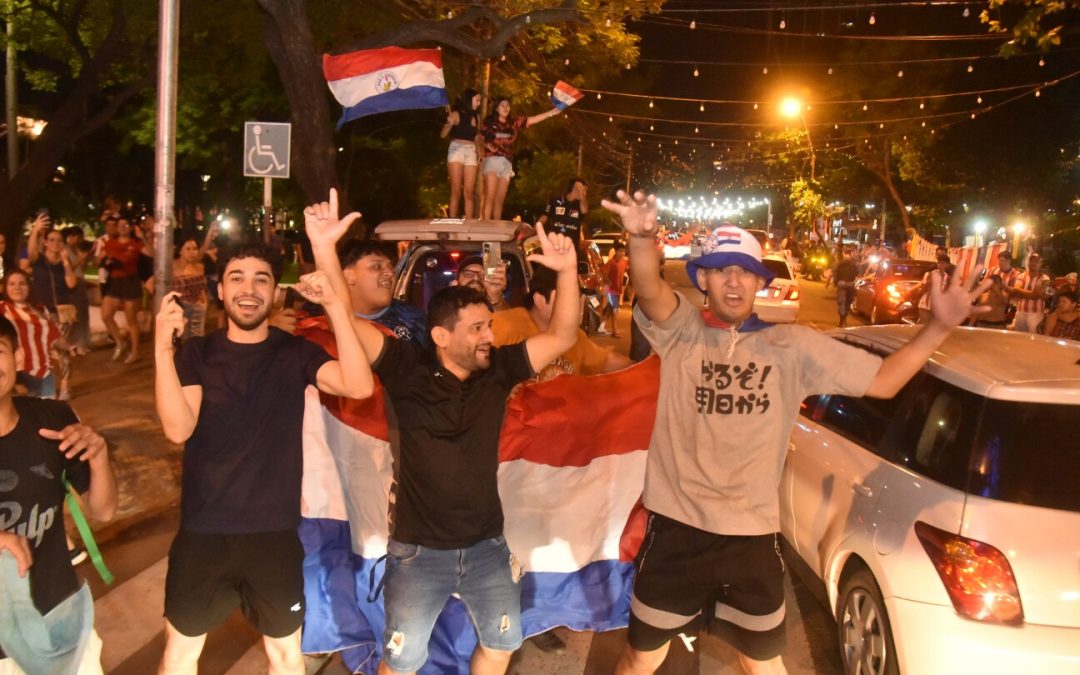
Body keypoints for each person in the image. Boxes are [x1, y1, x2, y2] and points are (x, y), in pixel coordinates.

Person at [600, 190, 989, 675]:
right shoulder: (683, 333)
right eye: (722, 270)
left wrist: (938, 327)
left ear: (760, 281)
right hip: (676, 530)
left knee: (763, 663)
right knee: (641, 656)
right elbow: (650, 288)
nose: (734, 281)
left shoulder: (793, 345)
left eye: (745, 271)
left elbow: (886, 382)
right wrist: (641, 238)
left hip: (752, 537)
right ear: (704, 280)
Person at [303, 191, 579, 674]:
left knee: (500, 647)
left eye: (489, 326)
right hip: (417, 555)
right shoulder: (405, 367)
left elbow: (562, 336)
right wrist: (325, 248)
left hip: (488, 549)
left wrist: (568, 270)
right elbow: (343, 315)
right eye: (477, 329)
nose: (490, 337)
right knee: (401, 662)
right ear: (441, 337)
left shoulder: (499, 370)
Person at [154, 225, 372, 675]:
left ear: (275, 293)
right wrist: (161, 348)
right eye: (237, 277)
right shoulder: (197, 354)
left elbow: (358, 383)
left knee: (286, 657)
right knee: (179, 654)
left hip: (273, 535)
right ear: (220, 289)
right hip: (203, 532)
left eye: (261, 279)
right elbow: (178, 429)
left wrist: (334, 304)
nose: (248, 289)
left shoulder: (295, 352)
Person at [0, 314, 116, 674]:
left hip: (60, 614)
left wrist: (99, 458)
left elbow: (104, 509)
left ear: (18, 359)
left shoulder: (51, 419)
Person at [493, 264, 632, 380]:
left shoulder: (575, 337)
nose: (575, 306)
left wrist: (648, 370)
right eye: (565, 298)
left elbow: (605, 361)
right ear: (540, 300)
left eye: (576, 298)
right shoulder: (504, 327)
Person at [479, 97, 564, 220]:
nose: (506, 108)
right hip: (492, 160)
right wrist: (486, 145)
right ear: (496, 108)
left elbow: (532, 119)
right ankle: (486, 226)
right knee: (490, 197)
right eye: (502, 105)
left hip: (507, 163)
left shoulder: (513, 122)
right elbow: (480, 138)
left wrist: (552, 112)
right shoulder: (488, 122)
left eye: (507, 105)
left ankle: (495, 229)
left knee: (499, 200)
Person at [0, 270, 74, 399]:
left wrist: (70, 347)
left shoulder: (40, 309)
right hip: (18, 377)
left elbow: (54, 335)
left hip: (44, 375)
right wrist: (14, 382)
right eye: (12, 284)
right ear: (5, 288)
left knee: (46, 416)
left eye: (22, 283)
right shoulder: (2, 309)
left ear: (29, 287)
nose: (17, 287)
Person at [338, 239, 428, 346]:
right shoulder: (326, 326)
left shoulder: (414, 320)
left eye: (391, 266)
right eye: (376, 266)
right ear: (349, 276)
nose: (390, 273)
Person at [96, 216, 143, 363]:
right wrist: (105, 260)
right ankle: (120, 343)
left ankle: (135, 351)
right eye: (120, 225)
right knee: (106, 315)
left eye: (125, 224)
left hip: (130, 281)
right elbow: (98, 261)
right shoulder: (110, 243)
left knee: (131, 319)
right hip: (115, 281)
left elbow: (152, 253)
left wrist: (143, 237)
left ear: (130, 227)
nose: (122, 227)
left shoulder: (135, 244)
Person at [441, 89, 482, 219]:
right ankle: (452, 221)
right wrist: (449, 123)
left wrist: (480, 153)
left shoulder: (477, 117)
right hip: (456, 149)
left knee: (469, 192)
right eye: (477, 100)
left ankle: (468, 222)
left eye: (479, 100)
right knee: (456, 191)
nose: (479, 103)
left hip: (471, 151)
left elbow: (476, 137)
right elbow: (442, 135)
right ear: (469, 100)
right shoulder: (455, 114)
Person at [170, 234, 209, 340]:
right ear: (180, 251)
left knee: (197, 339)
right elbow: (151, 284)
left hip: (198, 308)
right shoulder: (172, 266)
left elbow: (203, 288)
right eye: (188, 249)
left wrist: (204, 304)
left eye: (195, 249)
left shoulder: (200, 267)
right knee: (182, 339)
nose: (193, 252)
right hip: (180, 309)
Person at [534, 177, 589, 249]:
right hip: (554, 246)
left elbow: (584, 210)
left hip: (571, 248)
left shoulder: (580, 205)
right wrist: (533, 230)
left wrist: (582, 194)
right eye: (584, 190)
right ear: (575, 188)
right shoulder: (556, 201)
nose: (585, 194)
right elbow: (544, 218)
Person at [62, 227, 93, 355]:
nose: (79, 240)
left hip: (81, 282)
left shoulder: (76, 249)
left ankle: (82, 343)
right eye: (77, 237)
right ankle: (73, 344)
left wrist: (84, 260)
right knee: (75, 315)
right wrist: (80, 260)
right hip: (73, 283)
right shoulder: (65, 251)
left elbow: (82, 269)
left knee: (83, 314)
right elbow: (68, 269)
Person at [1006, 252, 1050, 333]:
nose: (1033, 263)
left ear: (1040, 264)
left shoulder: (1045, 278)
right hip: (1021, 311)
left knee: (1033, 336)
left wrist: (1023, 292)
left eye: (1036, 261)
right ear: (1028, 263)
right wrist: (1034, 294)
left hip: (1036, 313)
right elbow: (1016, 291)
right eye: (1031, 261)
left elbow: (1045, 296)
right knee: (1018, 336)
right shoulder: (1021, 276)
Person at [909, 253, 952, 325]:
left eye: (943, 263)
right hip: (925, 307)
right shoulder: (929, 274)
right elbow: (923, 289)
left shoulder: (948, 278)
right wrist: (930, 281)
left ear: (947, 265)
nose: (941, 265)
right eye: (939, 263)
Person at [602, 244, 629, 336]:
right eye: (620, 251)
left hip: (618, 289)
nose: (622, 253)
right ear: (616, 252)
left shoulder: (624, 262)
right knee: (615, 309)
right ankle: (615, 331)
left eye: (623, 251)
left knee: (610, 309)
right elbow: (603, 272)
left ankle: (601, 326)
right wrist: (608, 283)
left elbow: (628, 269)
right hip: (610, 290)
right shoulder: (611, 263)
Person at [833, 246, 858, 327]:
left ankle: (842, 321)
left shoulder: (839, 262)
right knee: (848, 302)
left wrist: (835, 282)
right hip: (850, 284)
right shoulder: (853, 263)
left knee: (842, 302)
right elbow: (857, 273)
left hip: (841, 283)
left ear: (843, 254)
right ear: (850, 254)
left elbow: (835, 272)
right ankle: (844, 320)